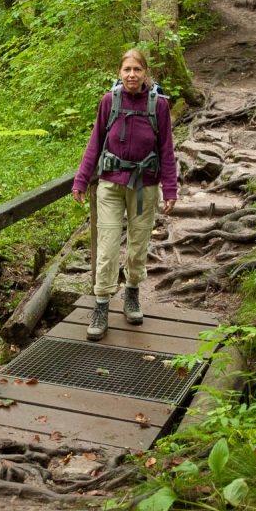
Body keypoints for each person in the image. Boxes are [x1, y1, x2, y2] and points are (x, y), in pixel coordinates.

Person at [72, 49, 178, 340]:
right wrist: (81, 181)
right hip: (110, 184)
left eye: (137, 70)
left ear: (146, 73)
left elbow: (166, 149)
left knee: (138, 244)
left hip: (144, 184)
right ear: (119, 73)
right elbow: (95, 142)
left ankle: (131, 293)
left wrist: (170, 188)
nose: (132, 75)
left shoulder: (160, 106)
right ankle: (102, 304)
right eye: (127, 69)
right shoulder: (110, 101)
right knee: (106, 247)